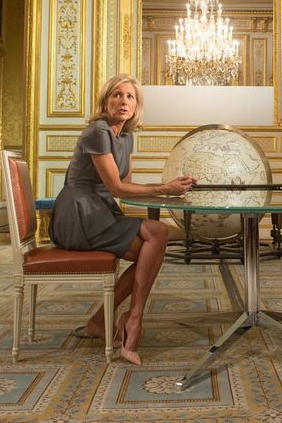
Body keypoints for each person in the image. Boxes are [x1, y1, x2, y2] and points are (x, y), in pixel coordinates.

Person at [50, 74, 196, 365]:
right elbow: (117, 187)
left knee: (152, 246)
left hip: (101, 211)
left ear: (136, 106)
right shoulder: (97, 131)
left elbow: (125, 193)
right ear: (105, 101)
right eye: (116, 95)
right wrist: (166, 189)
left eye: (130, 97)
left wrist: (173, 190)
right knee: (157, 237)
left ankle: (108, 320)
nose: (123, 101)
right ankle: (132, 319)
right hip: (78, 214)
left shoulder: (126, 138)